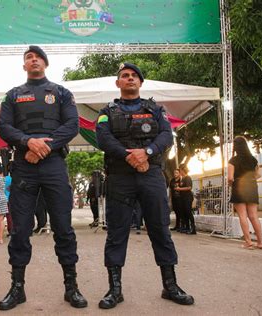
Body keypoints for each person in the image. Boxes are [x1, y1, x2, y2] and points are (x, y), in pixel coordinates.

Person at [95, 63, 194, 309]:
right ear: (118, 83)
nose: (129, 78)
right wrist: (130, 156)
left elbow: (166, 136)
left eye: (134, 76)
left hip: (151, 175)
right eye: (124, 76)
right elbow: (103, 138)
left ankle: (170, 286)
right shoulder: (107, 111)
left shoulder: (156, 110)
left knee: (160, 229)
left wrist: (146, 153)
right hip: (119, 176)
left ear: (140, 83)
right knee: (117, 232)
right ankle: (115, 290)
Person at [0, 45, 87, 310]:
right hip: (24, 166)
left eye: (37, 57)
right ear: (24, 66)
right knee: (20, 229)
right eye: (28, 58)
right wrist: (28, 141)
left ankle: (72, 287)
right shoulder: (13, 95)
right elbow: (4, 127)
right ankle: (17, 288)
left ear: (45, 63)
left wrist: (43, 147)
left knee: (63, 227)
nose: (33, 60)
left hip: (54, 165)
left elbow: (72, 125)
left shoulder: (61, 92)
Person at [228, 136, 262, 250]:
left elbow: (230, 178)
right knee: (254, 216)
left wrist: (231, 185)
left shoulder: (233, 160)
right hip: (252, 186)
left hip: (238, 186)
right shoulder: (253, 159)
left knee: (243, 216)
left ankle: (248, 242)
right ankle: (260, 243)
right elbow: (259, 174)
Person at [177, 164, 196, 234]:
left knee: (188, 212)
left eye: (180, 170)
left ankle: (193, 228)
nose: (180, 172)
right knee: (184, 212)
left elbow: (189, 187)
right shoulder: (182, 179)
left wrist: (180, 189)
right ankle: (187, 227)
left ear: (183, 170)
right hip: (183, 197)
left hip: (188, 197)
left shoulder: (188, 178)